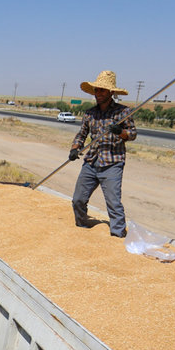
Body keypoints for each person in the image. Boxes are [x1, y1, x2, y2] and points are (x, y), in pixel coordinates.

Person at [69, 70, 138, 238]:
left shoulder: (122, 113)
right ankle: (82, 226)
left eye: (102, 90)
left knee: (113, 203)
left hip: (113, 163)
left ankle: (117, 234)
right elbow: (82, 134)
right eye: (96, 90)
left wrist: (120, 131)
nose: (98, 94)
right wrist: (74, 148)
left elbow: (132, 134)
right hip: (91, 161)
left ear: (111, 92)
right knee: (78, 200)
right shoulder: (90, 113)